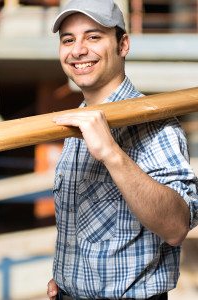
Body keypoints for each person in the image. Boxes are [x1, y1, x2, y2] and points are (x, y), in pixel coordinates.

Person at [47, 0, 198, 299]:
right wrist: (65, 277)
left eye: (93, 37)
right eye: (68, 40)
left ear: (123, 44)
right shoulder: (74, 125)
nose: (78, 50)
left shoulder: (156, 127)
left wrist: (112, 154)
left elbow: (176, 227)